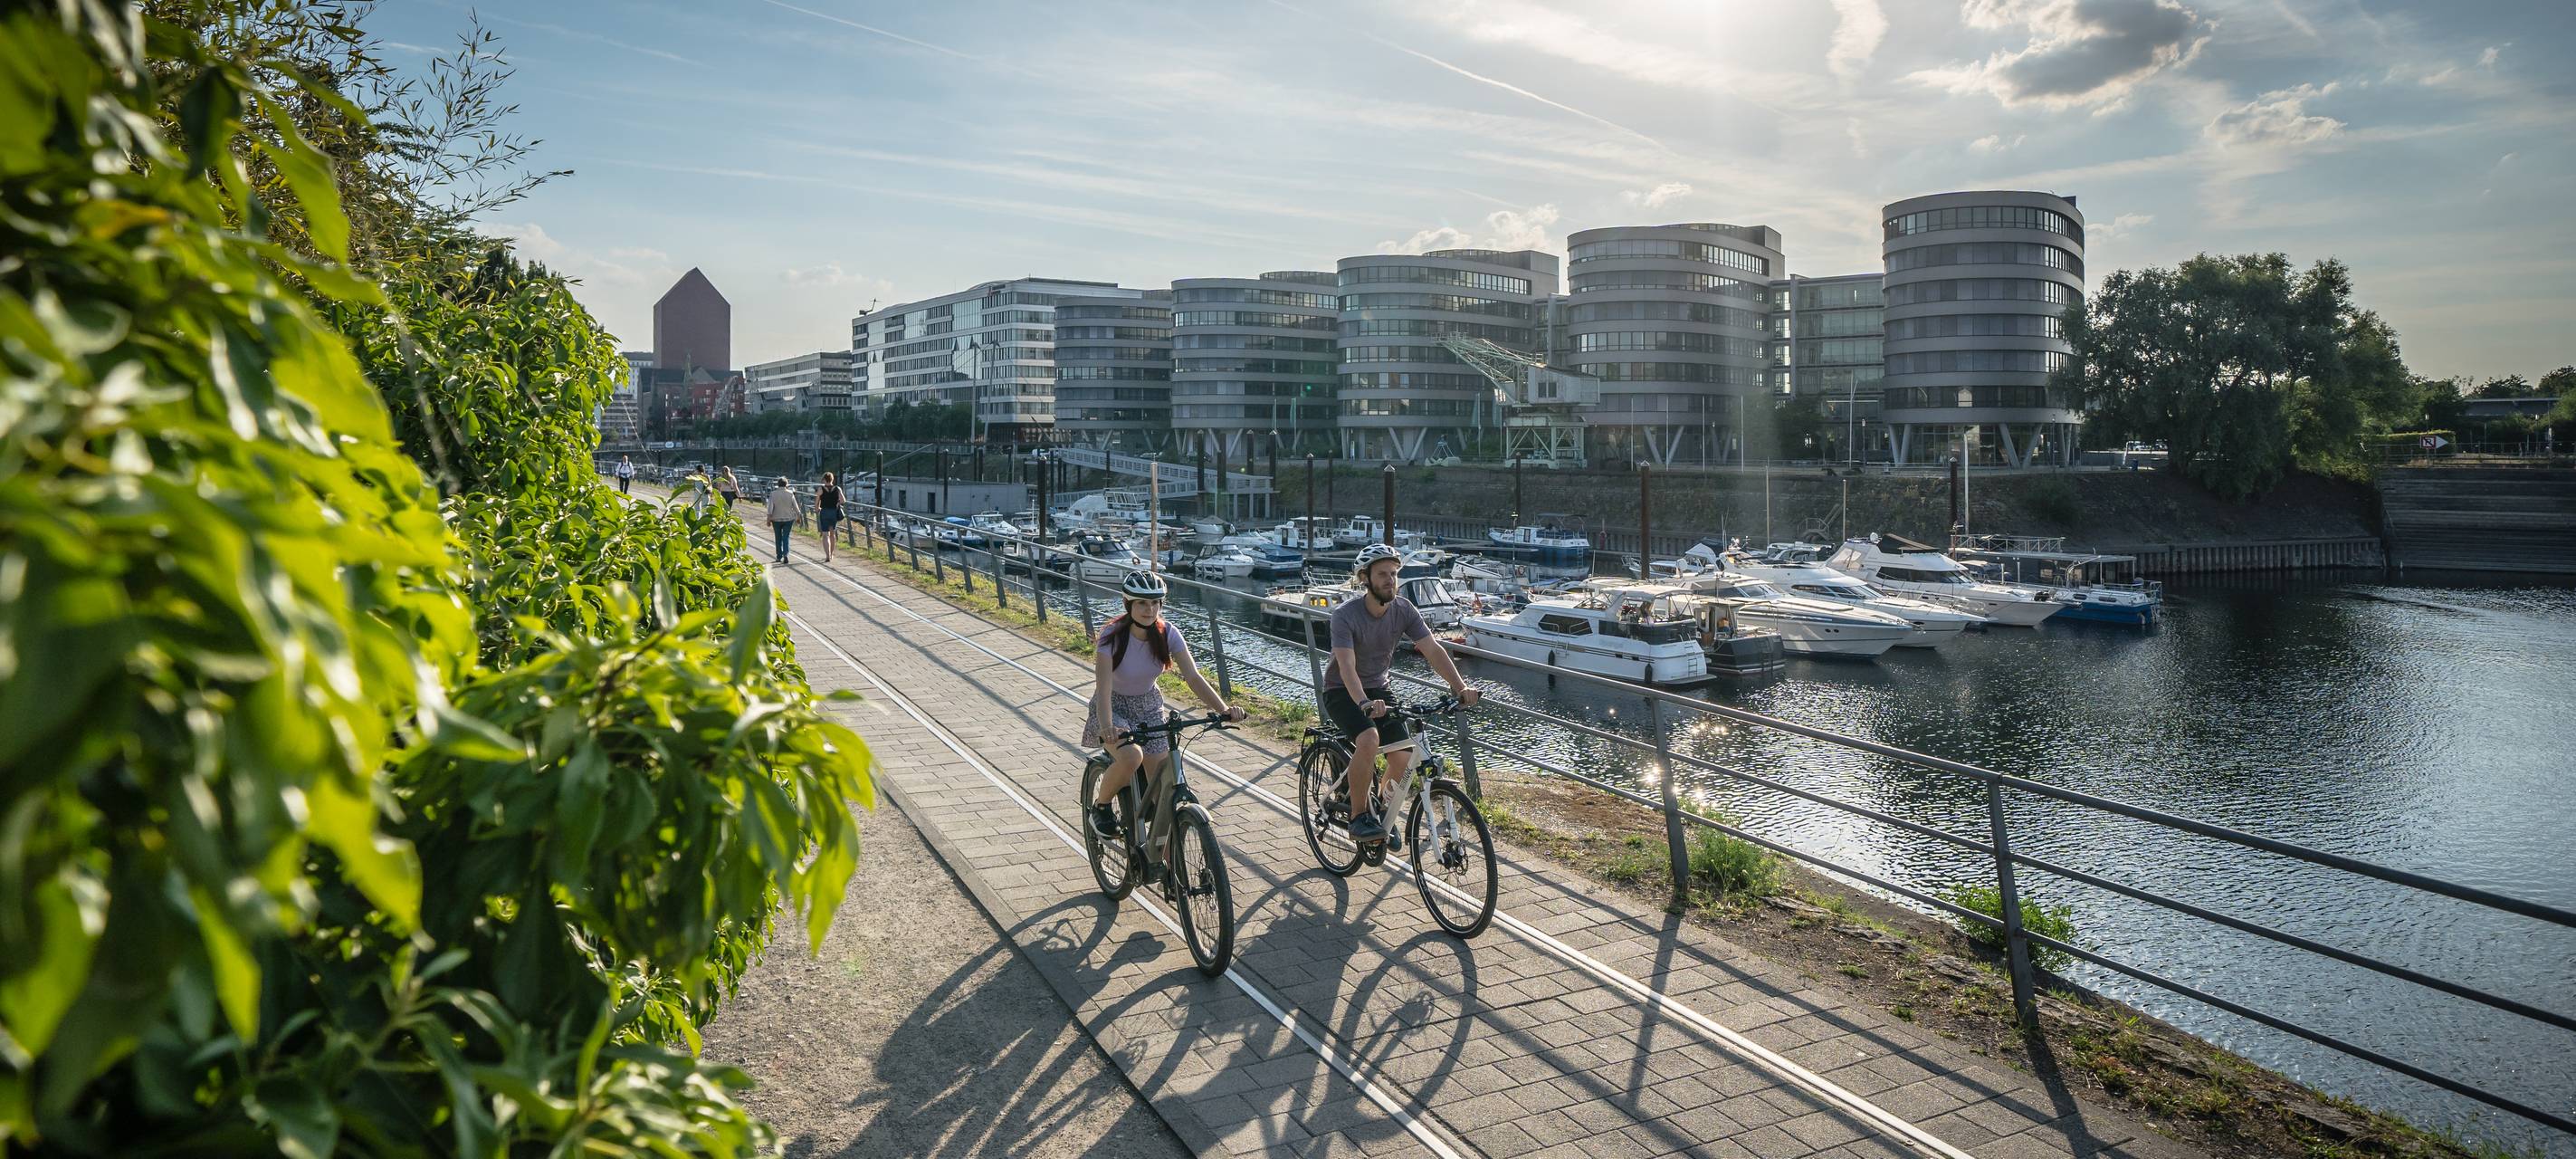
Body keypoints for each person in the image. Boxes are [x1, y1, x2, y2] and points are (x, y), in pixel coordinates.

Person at [1327, 543, 1477, 847]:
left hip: (1379, 689)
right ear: (1364, 578)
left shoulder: (1404, 610)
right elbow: (1346, 666)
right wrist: (1364, 703)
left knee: (1404, 756)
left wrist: (1459, 687)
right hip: (1343, 690)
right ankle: (1359, 818)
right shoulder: (1345, 615)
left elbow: (1433, 649)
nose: (1390, 580)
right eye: (1382, 574)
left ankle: (1383, 809)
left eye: (1394, 574)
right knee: (1369, 739)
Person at [1085, 570, 1243, 839]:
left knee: (1164, 794)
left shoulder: (1168, 633)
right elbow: (1103, 688)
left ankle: (1171, 873)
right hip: (1113, 707)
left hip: (1149, 706)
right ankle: (1101, 808)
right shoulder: (1111, 636)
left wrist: (1223, 710)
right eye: (1142, 604)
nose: (1150, 609)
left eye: (1156, 603)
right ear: (1129, 605)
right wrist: (1108, 726)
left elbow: (1193, 677)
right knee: (1132, 756)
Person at [763, 477, 802, 564]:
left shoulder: (773, 494)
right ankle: (786, 554)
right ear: (786, 484)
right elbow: (796, 507)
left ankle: (779, 556)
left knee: (778, 537)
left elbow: (770, 508)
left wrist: (768, 519)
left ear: (778, 484)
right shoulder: (790, 494)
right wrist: (798, 517)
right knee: (786, 537)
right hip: (788, 519)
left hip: (776, 519)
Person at [816, 472, 844, 563]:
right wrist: (838, 503)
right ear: (832, 479)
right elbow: (843, 500)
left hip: (824, 512)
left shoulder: (821, 489)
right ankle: (831, 554)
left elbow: (817, 501)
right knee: (832, 534)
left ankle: (827, 555)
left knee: (825, 535)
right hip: (833, 512)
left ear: (824, 479)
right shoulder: (837, 488)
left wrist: (817, 509)